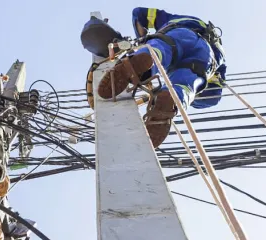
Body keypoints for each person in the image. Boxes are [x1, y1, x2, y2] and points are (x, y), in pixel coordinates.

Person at [83, 7, 227, 147]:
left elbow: (139, 13)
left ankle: (140, 63)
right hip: (206, 57)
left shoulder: (182, 19)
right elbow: (213, 96)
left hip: (179, 33)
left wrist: (141, 39)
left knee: (158, 50)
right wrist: (195, 99)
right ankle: (172, 99)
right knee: (187, 84)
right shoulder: (220, 54)